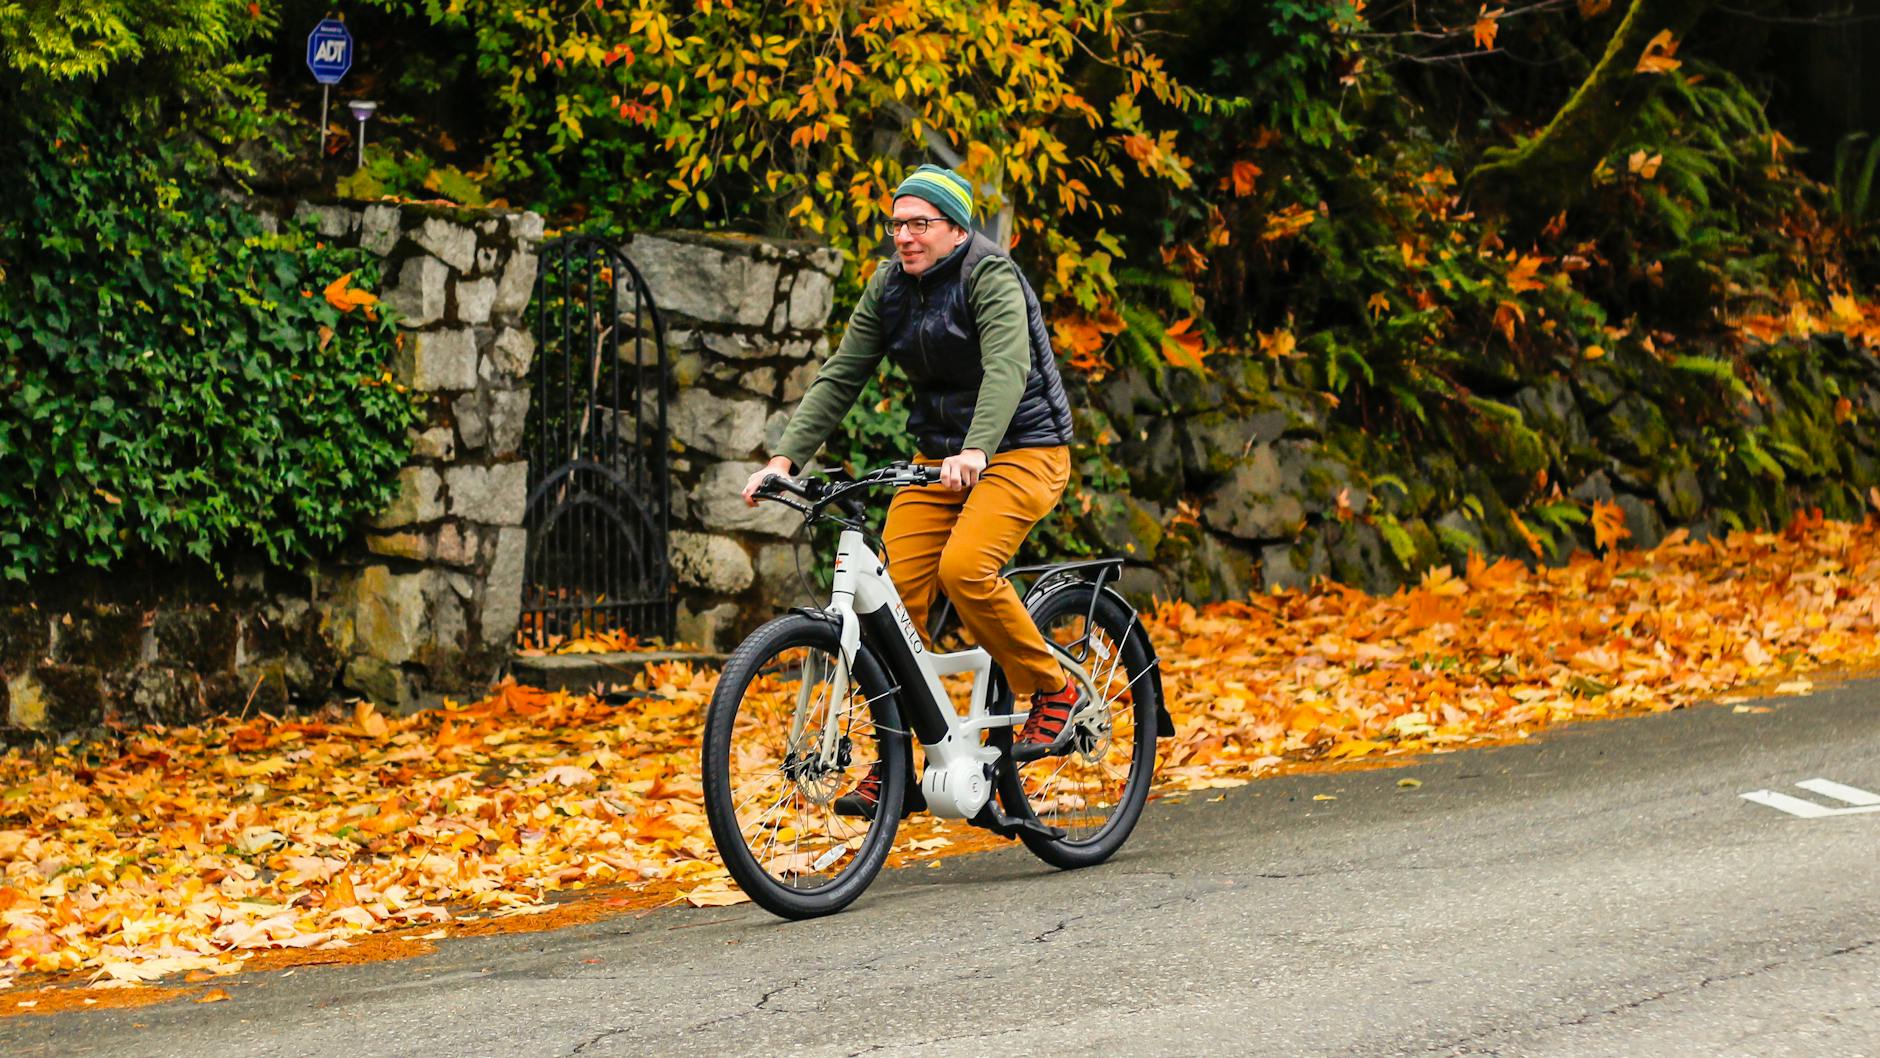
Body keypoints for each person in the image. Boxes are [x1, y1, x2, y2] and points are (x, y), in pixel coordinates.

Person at [740, 164, 1080, 816]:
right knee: (892, 605)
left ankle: (1052, 687)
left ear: (955, 229)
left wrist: (979, 448)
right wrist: (783, 459)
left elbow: (1009, 368)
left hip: (1023, 448)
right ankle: (902, 758)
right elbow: (842, 375)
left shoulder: (990, 276)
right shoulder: (890, 287)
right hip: (940, 460)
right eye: (896, 223)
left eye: (919, 223)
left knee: (966, 568)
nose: (904, 236)